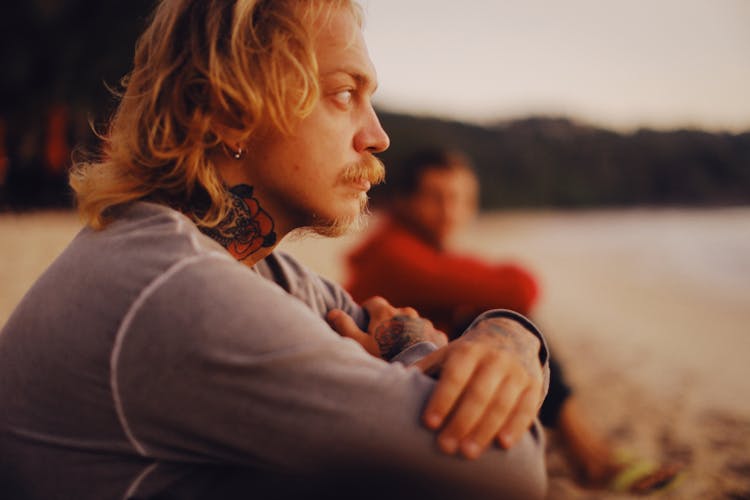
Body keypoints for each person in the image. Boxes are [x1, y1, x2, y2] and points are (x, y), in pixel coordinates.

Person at [0, 2, 552, 499]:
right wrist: (413, 351)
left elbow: (446, 356)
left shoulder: (256, 267)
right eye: (344, 95)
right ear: (229, 111)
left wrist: (512, 338)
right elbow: (511, 469)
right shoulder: (178, 289)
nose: (378, 136)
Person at [346, 147, 683, 494]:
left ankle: (591, 452)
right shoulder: (396, 256)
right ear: (405, 200)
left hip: (410, 366)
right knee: (512, 324)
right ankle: (589, 455)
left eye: (461, 199)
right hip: (393, 384)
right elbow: (522, 287)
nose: (451, 212)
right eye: (436, 198)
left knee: (495, 323)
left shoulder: (410, 249)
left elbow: (501, 283)